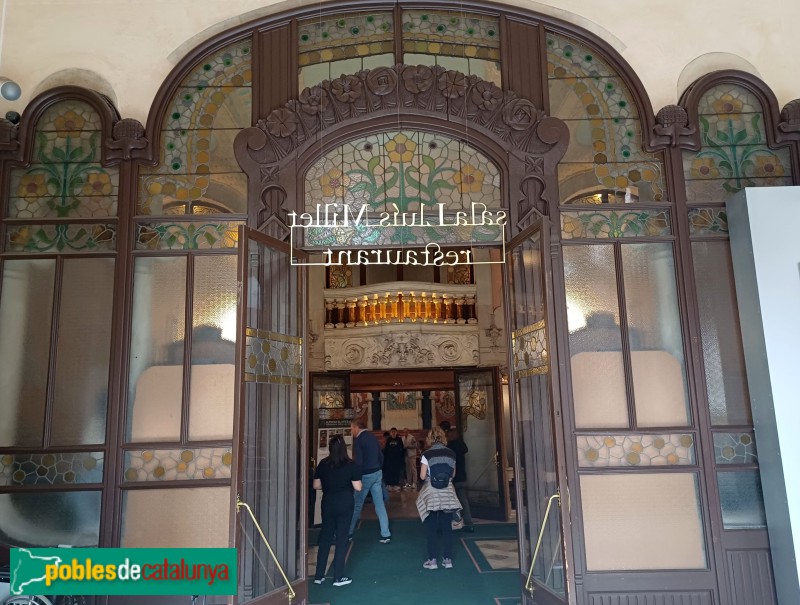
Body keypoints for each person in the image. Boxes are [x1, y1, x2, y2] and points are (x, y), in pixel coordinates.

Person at [312, 434, 362, 587]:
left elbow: (316, 485)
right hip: (345, 503)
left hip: (328, 502)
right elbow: (358, 487)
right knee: (341, 538)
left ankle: (319, 575)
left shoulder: (323, 463)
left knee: (326, 537)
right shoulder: (351, 465)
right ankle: (338, 577)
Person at [416, 426, 461, 570]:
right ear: (443, 438)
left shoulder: (426, 454)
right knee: (447, 527)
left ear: (430, 438)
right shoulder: (451, 453)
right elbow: (453, 475)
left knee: (432, 527)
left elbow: (422, 476)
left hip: (432, 492)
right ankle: (448, 560)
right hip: (447, 492)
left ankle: (432, 560)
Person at [349, 420, 392, 543]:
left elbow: (359, 461)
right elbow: (381, 455)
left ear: (357, 427)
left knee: (357, 505)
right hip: (377, 472)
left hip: (365, 474)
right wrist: (379, 468)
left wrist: (355, 476)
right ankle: (386, 534)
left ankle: (348, 532)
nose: (351, 431)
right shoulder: (372, 437)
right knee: (379, 504)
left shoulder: (359, 440)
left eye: (352, 428)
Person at [447, 427, 475, 532]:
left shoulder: (449, 447)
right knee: (463, 501)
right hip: (462, 477)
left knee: (450, 501)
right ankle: (469, 523)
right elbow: (465, 449)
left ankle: (455, 521)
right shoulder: (461, 445)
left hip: (452, 478)